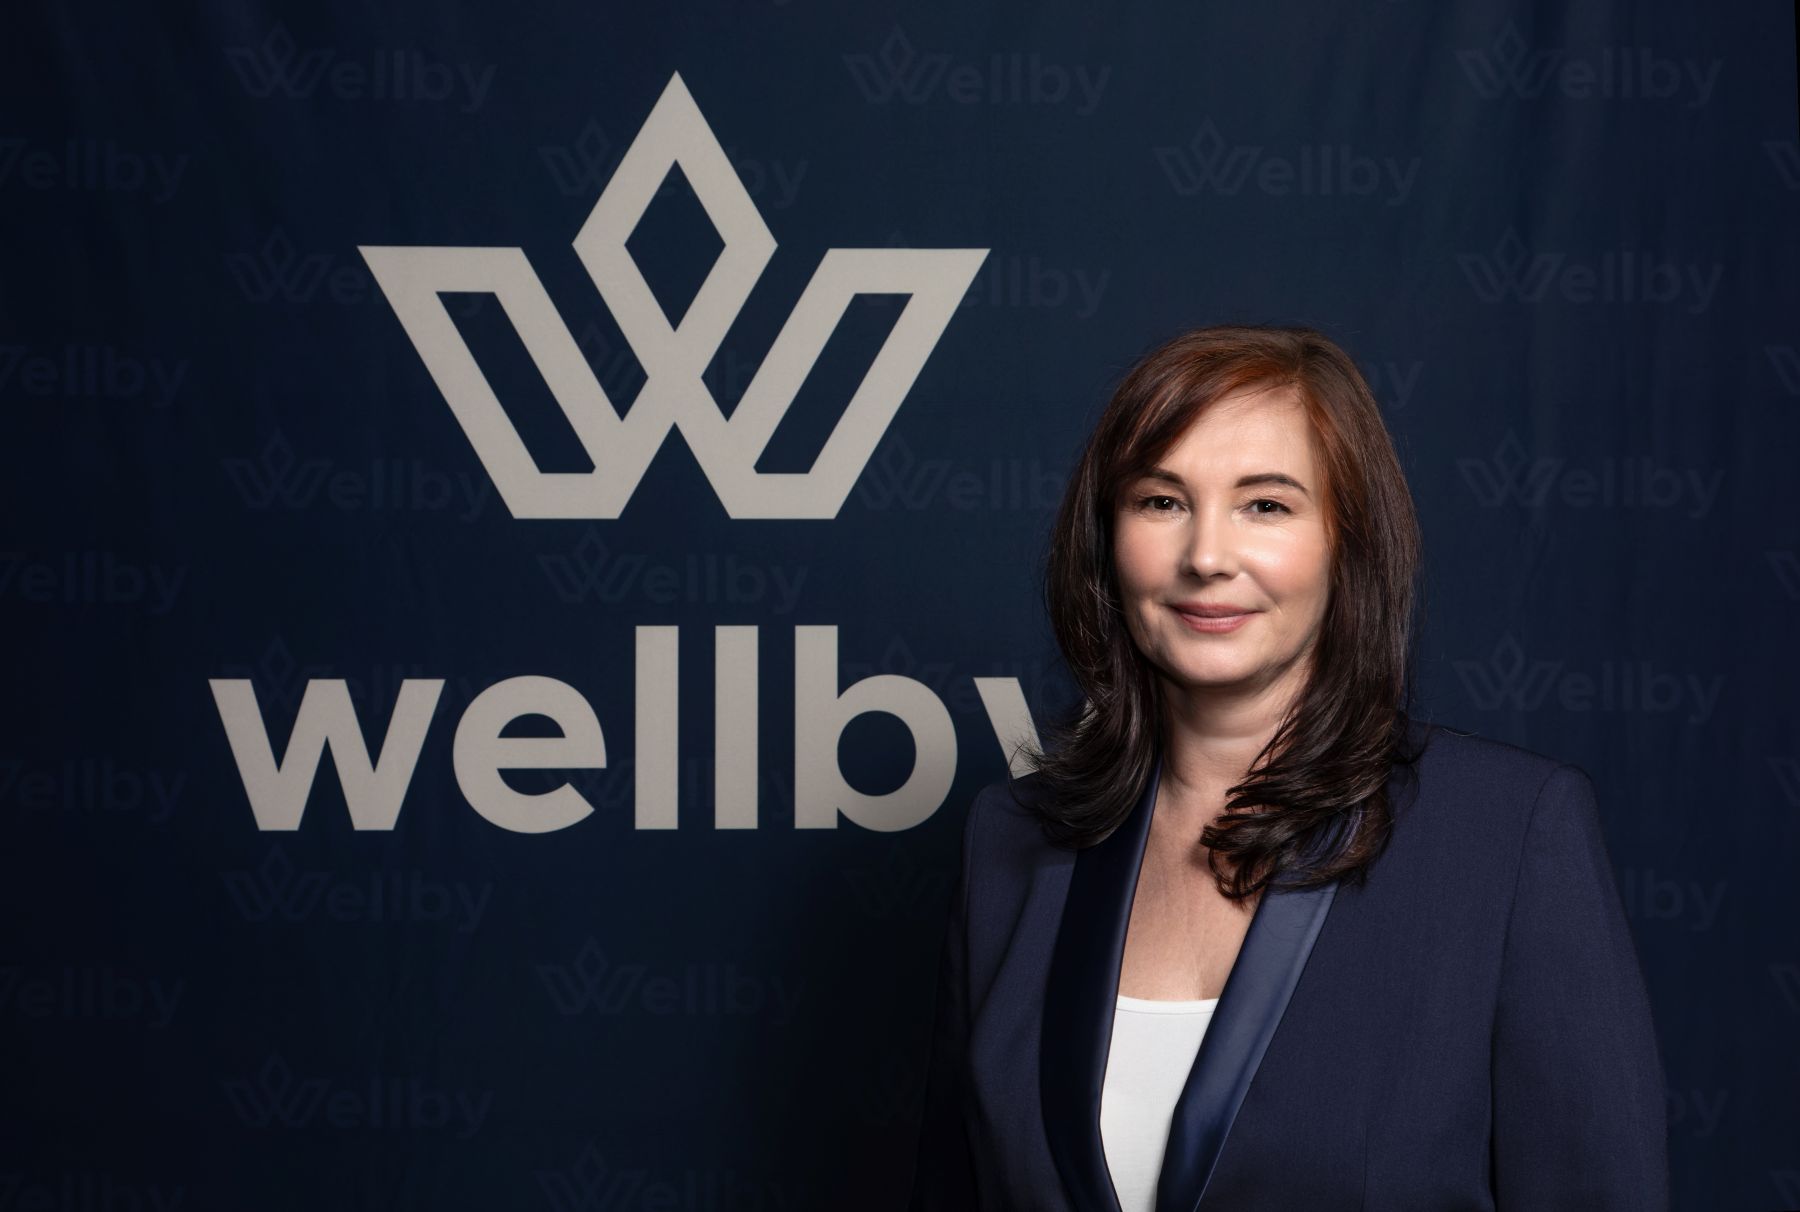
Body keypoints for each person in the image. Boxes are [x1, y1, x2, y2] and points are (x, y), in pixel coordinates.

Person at [906, 325, 1668, 1210]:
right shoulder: (1008, 842)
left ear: (1349, 542)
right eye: (1162, 501)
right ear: (1106, 538)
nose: (1206, 557)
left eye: (1265, 505)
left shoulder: (1506, 835)